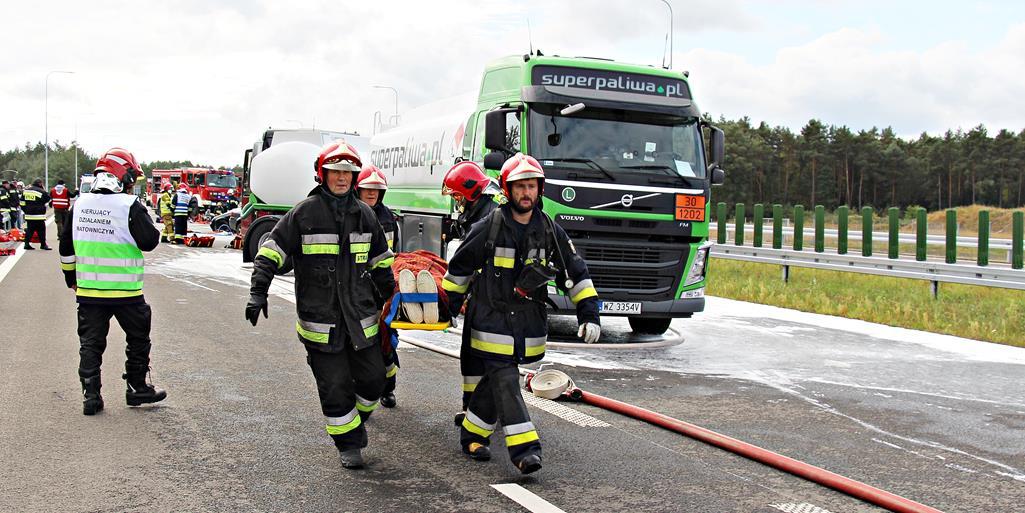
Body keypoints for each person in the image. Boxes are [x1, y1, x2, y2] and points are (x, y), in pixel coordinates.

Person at [442, 153, 601, 474]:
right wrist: (450, 307)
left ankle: (472, 432)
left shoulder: (549, 231)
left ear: (539, 190)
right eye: (520, 187)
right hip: (490, 320)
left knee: (494, 379)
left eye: (531, 186)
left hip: (527, 323)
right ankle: (525, 449)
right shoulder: (490, 226)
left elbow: (574, 271)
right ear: (507, 189)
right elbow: (459, 267)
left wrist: (589, 312)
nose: (526, 193)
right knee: (505, 378)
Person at [246, 141, 395, 469]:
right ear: (322, 174)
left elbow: (381, 263)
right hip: (321, 321)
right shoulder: (304, 213)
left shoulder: (365, 215)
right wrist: (259, 292)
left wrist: (392, 297)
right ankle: (349, 444)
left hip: (361, 319)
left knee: (374, 380)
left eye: (348, 173)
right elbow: (271, 252)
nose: (342, 178)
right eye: (336, 172)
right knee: (335, 386)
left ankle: (355, 422)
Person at [59, 148, 166, 416]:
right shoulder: (129, 206)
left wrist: (71, 278)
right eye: (132, 179)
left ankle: (91, 396)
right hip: (126, 292)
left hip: (89, 292)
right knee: (138, 340)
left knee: (90, 344)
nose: (132, 184)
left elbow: (66, 249)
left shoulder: (79, 206)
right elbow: (149, 242)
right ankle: (137, 388)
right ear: (123, 176)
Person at [442, 161, 499, 241]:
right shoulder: (470, 215)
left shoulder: (491, 216)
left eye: (456, 195)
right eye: (452, 196)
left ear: (469, 190)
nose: (456, 200)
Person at [21, 178, 52, 250]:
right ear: (40, 184)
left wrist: (26, 210)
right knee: (41, 230)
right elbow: (49, 199)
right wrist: (44, 190)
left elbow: (22, 203)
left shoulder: (26, 191)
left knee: (30, 230)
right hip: (39, 215)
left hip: (29, 214)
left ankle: (26, 244)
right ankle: (43, 245)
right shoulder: (41, 191)